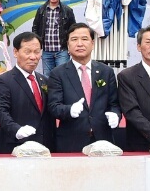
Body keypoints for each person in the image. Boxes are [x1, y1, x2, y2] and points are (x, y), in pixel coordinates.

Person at [47, 23, 120, 153]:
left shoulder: (106, 71)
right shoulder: (58, 73)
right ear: (68, 45)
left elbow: (114, 104)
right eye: (74, 39)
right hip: (71, 142)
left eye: (84, 39)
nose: (79, 44)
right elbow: (53, 107)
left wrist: (116, 115)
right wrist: (69, 110)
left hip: (103, 141)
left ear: (92, 43)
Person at [0, 31, 55, 154]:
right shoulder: (4, 81)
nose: (33, 57)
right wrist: (17, 130)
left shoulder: (45, 81)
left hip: (45, 148)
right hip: (17, 147)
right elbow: (0, 111)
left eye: (37, 52)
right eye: (27, 52)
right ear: (15, 52)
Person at [30, 0, 78, 76]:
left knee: (63, 76)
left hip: (62, 50)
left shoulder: (67, 10)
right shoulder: (41, 10)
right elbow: (35, 27)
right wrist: (37, 45)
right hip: (46, 51)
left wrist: (70, 46)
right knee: (47, 77)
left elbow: (73, 30)